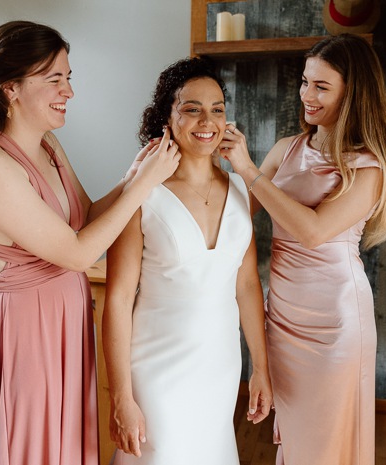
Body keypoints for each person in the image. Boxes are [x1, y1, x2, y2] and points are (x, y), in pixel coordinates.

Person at [0, 21, 180, 465]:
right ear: (11, 88)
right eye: (55, 80)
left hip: (66, 321)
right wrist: (143, 185)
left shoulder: (48, 145)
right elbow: (80, 252)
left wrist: (133, 176)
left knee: (67, 445)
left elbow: (85, 217)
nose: (69, 91)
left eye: (69, 78)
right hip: (25, 330)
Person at [220, 33, 386, 465]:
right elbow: (235, 212)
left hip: (335, 322)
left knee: (325, 446)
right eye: (305, 82)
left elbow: (313, 232)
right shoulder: (288, 148)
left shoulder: (370, 165)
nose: (307, 94)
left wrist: (247, 168)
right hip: (283, 313)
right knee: (296, 440)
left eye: (321, 86)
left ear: (353, 93)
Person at [102, 57, 273, 465]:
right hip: (155, 369)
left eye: (217, 108)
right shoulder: (144, 192)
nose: (207, 120)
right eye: (191, 108)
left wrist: (261, 368)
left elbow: (247, 285)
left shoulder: (239, 188)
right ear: (168, 116)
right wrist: (121, 396)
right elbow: (119, 298)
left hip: (220, 365)